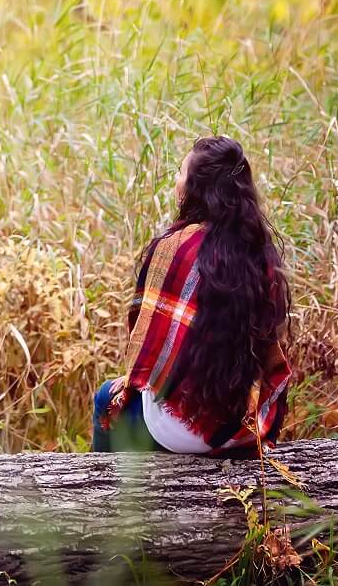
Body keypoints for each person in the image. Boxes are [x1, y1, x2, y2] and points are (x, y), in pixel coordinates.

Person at [92, 136, 292, 457]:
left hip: (183, 430)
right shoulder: (258, 252)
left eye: (180, 172)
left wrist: (134, 380)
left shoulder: (174, 248)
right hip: (243, 427)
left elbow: (148, 342)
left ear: (196, 188)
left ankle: (102, 493)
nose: (175, 179)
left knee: (106, 398)